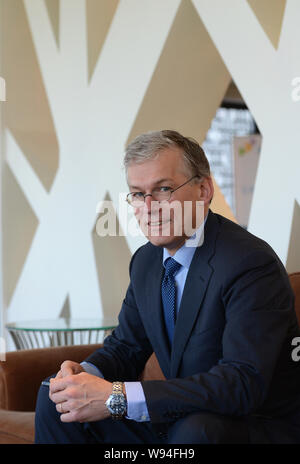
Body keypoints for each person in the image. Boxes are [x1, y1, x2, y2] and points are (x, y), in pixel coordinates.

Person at [35, 130, 300, 444]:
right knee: (54, 398)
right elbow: (127, 347)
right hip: (178, 416)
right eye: (137, 193)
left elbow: (241, 384)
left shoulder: (250, 263)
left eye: (163, 189)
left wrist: (116, 396)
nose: (149, 207)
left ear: (203, 190)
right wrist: (85, 375)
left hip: (249, 425)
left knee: (196, 431)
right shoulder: (146, 262)